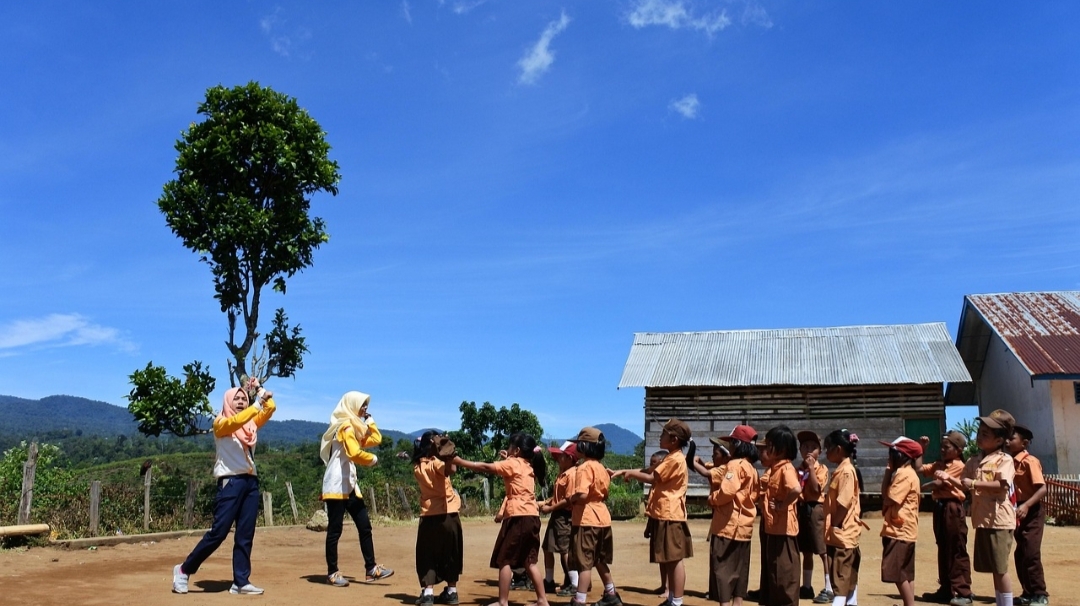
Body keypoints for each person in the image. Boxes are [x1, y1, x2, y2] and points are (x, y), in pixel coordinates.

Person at [172, 378, 276, 595]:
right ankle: (183, 570)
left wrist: (258, 389)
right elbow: (236, 421)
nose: (240, 401)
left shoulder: (250, 424)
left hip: (250, 482)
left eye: (243, 398)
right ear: (227, 401)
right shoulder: (221, 424)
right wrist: (255, 403)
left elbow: (271, 406)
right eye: (236, 398)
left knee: (245, 534)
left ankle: (241, 581)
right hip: (230, 482)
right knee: (218, 532)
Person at [453, 433, 550, 606]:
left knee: (505, 559)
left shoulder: (513, 463)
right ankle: (542, 600)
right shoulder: (529, 465)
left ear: (517, 450)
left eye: (510, 446)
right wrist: (510, 458)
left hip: (518, 516)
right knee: (529, 561)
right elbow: (515, 470)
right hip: (532, 516)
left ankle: (502, 602)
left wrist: (460, 462)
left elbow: (486, 467)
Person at [938, 409, 1017, 606]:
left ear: (999, 441)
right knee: (993, 568)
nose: (979, 437)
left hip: (999, 519)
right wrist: (949, 479)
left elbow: (1002, 485)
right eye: (979, 432)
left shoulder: (1004, 460)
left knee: (1000, 569)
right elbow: (963, 482)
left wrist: (972, 484)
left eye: (985, 434)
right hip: (983, 519)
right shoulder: (975, 460)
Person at [613, 418, 694, 606]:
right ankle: (673, 598)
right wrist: (623, 470)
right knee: (670, 559)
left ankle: (677, 601)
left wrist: (631, 474)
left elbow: (651, 477)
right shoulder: (671, 457)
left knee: (674, 560)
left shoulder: (674, 459)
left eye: (663, 433)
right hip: (666, 514)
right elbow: (651, 470)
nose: (660, 436)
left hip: (670, 514)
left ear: (673, 439)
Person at [320, 391, 394, 586]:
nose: (365, 408)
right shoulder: (345, 427)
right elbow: (354, 452)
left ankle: (371, 569)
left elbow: (376, 439)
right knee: (335, 530)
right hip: (336, 484)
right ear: (351, 406)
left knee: (364, 526)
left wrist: (370, 421)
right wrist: (372, 460)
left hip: (350, 485)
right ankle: (332, 572)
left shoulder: (354, 428)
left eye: (366, 405)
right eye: (362, 405)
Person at [691, 425, 758, 606]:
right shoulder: (751, 468)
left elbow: (727, 492)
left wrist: (713, 498)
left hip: (728, 526)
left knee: (722, 569)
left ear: (737, 444)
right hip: (744, 526)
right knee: (740, 570)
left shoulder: (734, 465)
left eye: (731, 444)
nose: (729, 448)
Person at [917, 430, 973, 605]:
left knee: (956, 548)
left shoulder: (957, 465)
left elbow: (939, 483)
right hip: (941, 507)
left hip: (952, 508)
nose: (942, 449)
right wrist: (921, 449)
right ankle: (946, 589)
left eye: (946, 446)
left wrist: (923, 487)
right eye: (941, 446)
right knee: (943, 548)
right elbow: (919, 468)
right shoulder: (939, 464)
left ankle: (963, 591)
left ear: (957, 450)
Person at [568, 426, 621, 606]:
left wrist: (572, 499)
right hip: (603, 518)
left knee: (584, 563)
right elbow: (604, 495)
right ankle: (611, 593)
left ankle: (579, 599)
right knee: (599, 559)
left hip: (586, 519)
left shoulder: (584, 468)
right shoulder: (602, 469)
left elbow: (582, 496)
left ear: (584, 446)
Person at [413, 431, 463, 605]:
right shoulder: (436, 463)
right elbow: (452, 470)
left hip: (428, 515)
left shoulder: (418, 466)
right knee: (451, 552)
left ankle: (427, 593)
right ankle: (452, 591)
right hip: (449, 513)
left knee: (427, 554)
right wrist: (449, 454)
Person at [760, 425, 802, 606]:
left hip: (785, 533)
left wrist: (782, 505)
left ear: (782, 449)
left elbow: (796, 489)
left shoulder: (786, 469)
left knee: (785, 576)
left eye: (770, 445)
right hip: (774, 530)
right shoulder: (775, 469)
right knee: (775, 575)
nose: (767, 449)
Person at [822, 429, 864, 606]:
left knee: (840, 582)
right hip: (843, 534)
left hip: (842, 535)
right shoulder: (842, 470)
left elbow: (843, 503)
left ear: (838, 449)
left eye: (828, 448)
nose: (826, 452)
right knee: (847, 581)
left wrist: (835, 525)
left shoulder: (846, 471)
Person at [879, 436, 923, 606]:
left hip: (899, 531)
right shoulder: (906, 473)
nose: (889, 457)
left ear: (902, 456)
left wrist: (888, 473)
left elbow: (889, 498)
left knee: (897, 573)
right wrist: (889, 472)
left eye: (892, 453)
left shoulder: (904, 474)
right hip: (906, 530)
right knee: (905, 573)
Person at [1008, 424, 1048, 605]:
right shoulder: (1010, 462)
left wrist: (1026, 506)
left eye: (1012, 438)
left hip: (1032, 509)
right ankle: (1028, 592)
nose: (1007, 441)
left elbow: (1042, 489)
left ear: (1024, 443)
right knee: (1021, 552)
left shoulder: (1029, 461)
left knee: (1031, 552)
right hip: (1018, 509)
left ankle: (1040, 593)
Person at [540, 441, 580, 597]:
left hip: (564, 516)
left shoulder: (572, 474)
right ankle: (549, 581)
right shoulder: (562, 473)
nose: (558, 459)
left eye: (561, 456)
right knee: (547, 547)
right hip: (557, 515)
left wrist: (550, 508)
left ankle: (575, 584)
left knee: (565, 550)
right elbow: (558, 497)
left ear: (570, 458)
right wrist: (545, 502)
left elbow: (568, 499)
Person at [796, 430, 831, 603]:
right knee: (806, 551)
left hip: (816, 508)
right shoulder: (798, 470)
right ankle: (807, 586)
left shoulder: (822, 469)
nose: (809, 450)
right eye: (805, 446)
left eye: (813, 447)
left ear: (820, 451)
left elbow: (817, 489)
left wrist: (811, 468)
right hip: (802, 509)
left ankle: (829, 587)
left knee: (822, 550)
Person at [644, 450, 669, 597]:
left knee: (667, 556)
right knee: (660, 556)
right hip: (655, 520)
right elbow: (652, 507)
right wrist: (648, 526)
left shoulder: (664, 482)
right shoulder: (654, 485)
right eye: (650, 463)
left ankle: (669, 588)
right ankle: (663, 584)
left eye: (654, 464)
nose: (651, 466)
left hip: (664, 519)